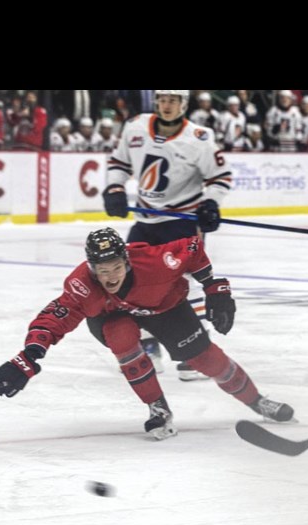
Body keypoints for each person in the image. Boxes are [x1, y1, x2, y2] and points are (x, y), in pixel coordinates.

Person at [0, 228, 294, 440]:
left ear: (125, 260)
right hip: (112, 317)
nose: (109, 277)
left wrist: (215, 287)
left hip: (166, 307)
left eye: (115, 268)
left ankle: (258, 401)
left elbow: (193, 248)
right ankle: (158, 409)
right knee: (123, 340)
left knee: (207, 360)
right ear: (91, 268)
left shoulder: (155, 263)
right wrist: (27, 357)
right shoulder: (82, 285)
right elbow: (54, 317)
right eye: (101, 270)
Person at [102, 89, 230, 381]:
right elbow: (119, 164)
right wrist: (115, 188)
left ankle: (194, 353)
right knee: (131, 282)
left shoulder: (199, 137)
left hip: (181, 223)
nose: (167, 105)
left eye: (174, 100)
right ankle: (148, 345)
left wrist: (211, 202)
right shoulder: (135, 127)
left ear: (184, 104)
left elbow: (220, 177)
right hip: (146, 221)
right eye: (162, 99)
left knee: (186, 284)